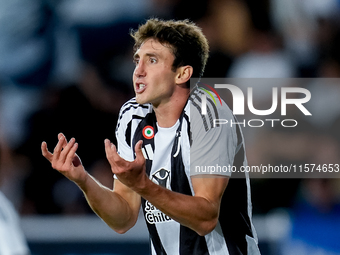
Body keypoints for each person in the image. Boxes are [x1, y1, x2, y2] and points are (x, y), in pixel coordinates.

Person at [41, 18, 260, 255]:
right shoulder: (132, 116)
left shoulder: (210, 112)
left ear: (183, 73)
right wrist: (84, 180)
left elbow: (205, 218)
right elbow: (123, 218)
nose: (138, 71)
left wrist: (144, 186)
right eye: (137, 60)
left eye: (152, 60)